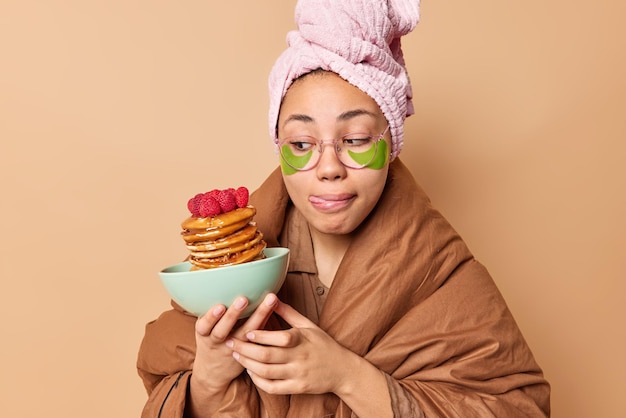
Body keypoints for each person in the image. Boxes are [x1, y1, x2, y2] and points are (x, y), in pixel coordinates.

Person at [137, 0, 551, 417]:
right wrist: (208, 380)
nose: (329, 169)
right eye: (301, 144)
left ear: (390, 146)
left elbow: (518, 408)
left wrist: (347, 376)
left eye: (355, 140)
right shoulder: (226, 273)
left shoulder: (446, 275)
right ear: (280, 148)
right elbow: (172, 374)